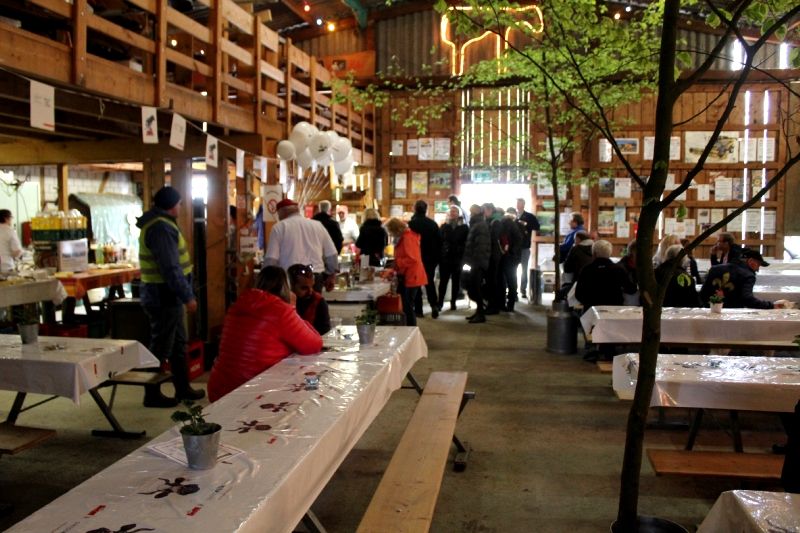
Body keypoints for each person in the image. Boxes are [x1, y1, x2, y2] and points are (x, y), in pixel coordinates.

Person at [207, 266, 322, 402]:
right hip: (251, 392)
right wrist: (292, 308)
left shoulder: (238, 305)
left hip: (219, 389)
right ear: (287, 288)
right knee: (308, 388)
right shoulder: (280, 310)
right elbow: (314, 344)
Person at [136, 186, 205, 407]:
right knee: (161, 347)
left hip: (167, 295)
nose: (181, 206)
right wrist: (187, 296)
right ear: (172, 205)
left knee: (178, 345)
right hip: (163, 296)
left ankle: (183, 388)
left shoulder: (161, 224)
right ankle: (151, 394)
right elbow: (170, 268)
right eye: (180, 203)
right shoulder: (161, 228)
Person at [264, 199, 339, 292]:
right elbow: (332, 254)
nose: (278, 217)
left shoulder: (279, 227)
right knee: (314, 301)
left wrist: (265, 281)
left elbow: (271, 259)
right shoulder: (317, 225)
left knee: (291, 302)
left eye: (278, 214)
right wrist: (331, 276)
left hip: (291, 279)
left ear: (281, 212)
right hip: (314, 278)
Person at [700, 248, 789, 309]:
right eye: (758, 265)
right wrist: (770, 305)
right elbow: (747, 299)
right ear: (751, 261)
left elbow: (703, 294)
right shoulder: (748, 275)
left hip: (710, 311)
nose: (757, 270)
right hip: (733, 315)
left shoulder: (715, 268)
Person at [385, 218, 428, 326]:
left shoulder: (408, 238)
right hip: (410, 275)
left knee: (407, 306)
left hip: (412, 276)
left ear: (395, 229)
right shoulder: (406, 237)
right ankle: (410, 327)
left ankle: (411, 328)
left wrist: (397, 263)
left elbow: (412, 259)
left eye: (391, 231)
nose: (390, 234)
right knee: (406, 305)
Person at [575, 240, 638, 312]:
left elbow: (578, 294)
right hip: (614, 310)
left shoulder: (586, 270)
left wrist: (589, 302)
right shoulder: (618, 269)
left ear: (594, 253)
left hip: (591, 310)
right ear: (610, 254)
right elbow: (630, 290)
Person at [408, 200, 442, 318]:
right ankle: (434, 305)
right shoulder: (432, 224)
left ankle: (419, 310)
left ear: (414, 209)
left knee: (416, 284)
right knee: (429, 282)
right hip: (430, 259)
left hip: (415, 258)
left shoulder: (411, 224)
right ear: (426, 210)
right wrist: (437, 259)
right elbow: (439, 242)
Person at [462, 204, 490, 323]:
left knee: (476, 288)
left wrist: (474, 263)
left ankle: (480, 314)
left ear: (475, 212)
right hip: (474, 262)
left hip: (477, 263)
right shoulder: (476, 224)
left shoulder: (480, 225)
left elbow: (480, 247)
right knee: (473, 287)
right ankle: (479, 311)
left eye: (471, 211)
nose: (470, 213)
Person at [438, 205, 468, 311]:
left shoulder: (464, 227)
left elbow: (466, 242)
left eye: (455, 211)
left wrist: (462, 253)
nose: (452, 213)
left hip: (458, 259)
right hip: (445, 258)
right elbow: (439, 241)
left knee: (456, 282)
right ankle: (440, 302)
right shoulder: (444, 226)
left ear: (459, 214)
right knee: (443, 282)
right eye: (451, 211)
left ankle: (453, 302)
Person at [288, 263, 331, 335]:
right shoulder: (282, 303)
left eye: (312, 286)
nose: (310, 292)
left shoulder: (319, 302)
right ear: (290, 286)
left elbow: (325, 334)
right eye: (304, 288)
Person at [499, 208, 523, 311]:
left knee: (508, 279)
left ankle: (508, 302)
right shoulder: (512, 224)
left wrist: (511, 251)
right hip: (511, 256)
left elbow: (517, 239)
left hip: (509, 256)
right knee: (511, 279)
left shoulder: (506, 224)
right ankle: (510, 302)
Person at [516, 198, 540, 299]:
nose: (518, 205)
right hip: (514, 247)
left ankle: (523, 290)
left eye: (520, 203)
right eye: (517, 203)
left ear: (524, 204)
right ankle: (513, 290)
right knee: (512, 269)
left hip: (525, 246)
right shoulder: (513, 215)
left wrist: (526, 224)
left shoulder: (529, 216)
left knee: (524, 269)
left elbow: (537, 227)